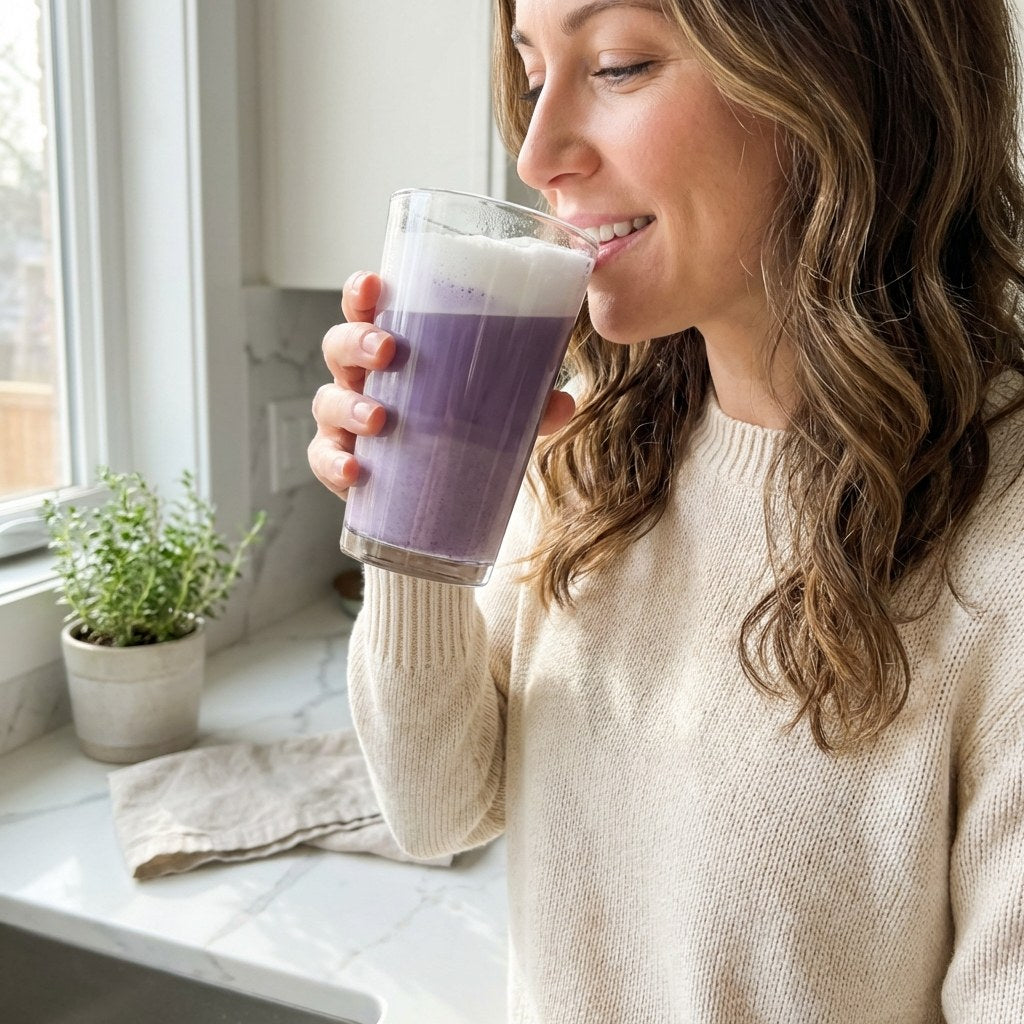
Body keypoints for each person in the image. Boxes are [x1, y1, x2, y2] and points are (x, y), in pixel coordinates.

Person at [308, 0, 1024, 1019]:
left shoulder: (1003, 535)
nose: (538, 153)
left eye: (618, 65)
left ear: (838, 79)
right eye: (530, 72)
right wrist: (408, 509)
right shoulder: (591, 437)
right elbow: (436, 806)